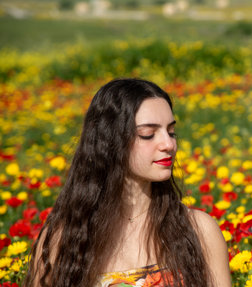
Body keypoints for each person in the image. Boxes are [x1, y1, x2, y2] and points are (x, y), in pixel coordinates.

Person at [23, 78, 232, 287]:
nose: (169, 144)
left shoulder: (199, 231)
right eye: (148, 135)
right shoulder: (66, 239)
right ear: (110, 142)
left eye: (171, 132)